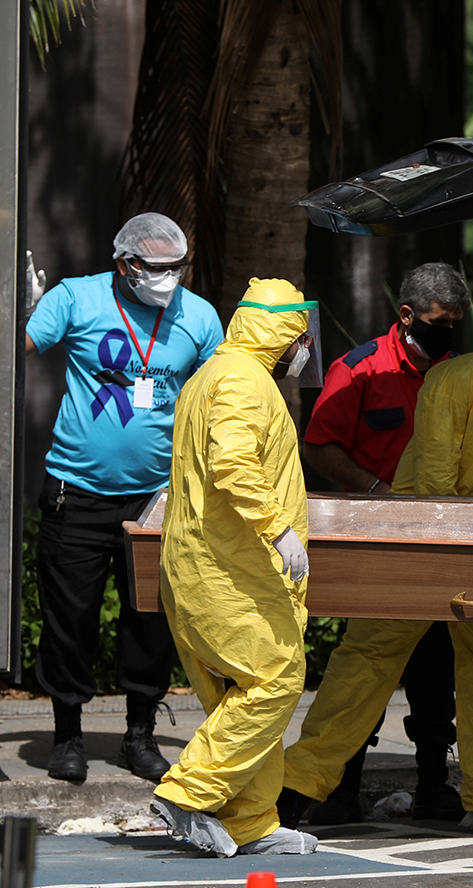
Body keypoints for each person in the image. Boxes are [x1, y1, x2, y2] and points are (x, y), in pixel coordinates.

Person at [279, 296, 473, 833]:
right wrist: (444, 551)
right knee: (365, 662)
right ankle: (297, 786)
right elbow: (436, 483)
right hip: (418, 543)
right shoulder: (456, 381)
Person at [24, 213, 222, 784]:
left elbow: (220, 394)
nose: (166, 278)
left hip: (158, 499)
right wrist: (11, 310)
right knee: (70, 620)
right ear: (124, 264)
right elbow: (19, 348)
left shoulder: (199, 316)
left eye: (176, 268)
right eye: (154, 268)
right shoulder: (76, 298)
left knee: (149, 621)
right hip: (76, 493)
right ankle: (67, 735)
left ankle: (139, 736)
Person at [151, 278, 320, 857]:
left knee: (245, 694)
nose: (305, 349)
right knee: (275, 679)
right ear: (286, 332)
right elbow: (233, 462)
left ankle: (251, 821)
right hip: (227, 571)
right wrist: (278, 529)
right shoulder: (243, 382)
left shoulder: (214, 374)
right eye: (301, 337)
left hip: (214, 567)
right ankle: (189, 791)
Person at [297, 263, 471, 823]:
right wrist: (379, 490)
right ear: (407, 316)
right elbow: (320, 446)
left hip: (437, 538)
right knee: (365, 665)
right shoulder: (360, 370)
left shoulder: (459, 374)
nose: (449, 332)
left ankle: (433, 785)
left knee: (435, 669)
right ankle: (340, 789)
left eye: (456, 323)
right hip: (374, 537)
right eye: (440, 322)